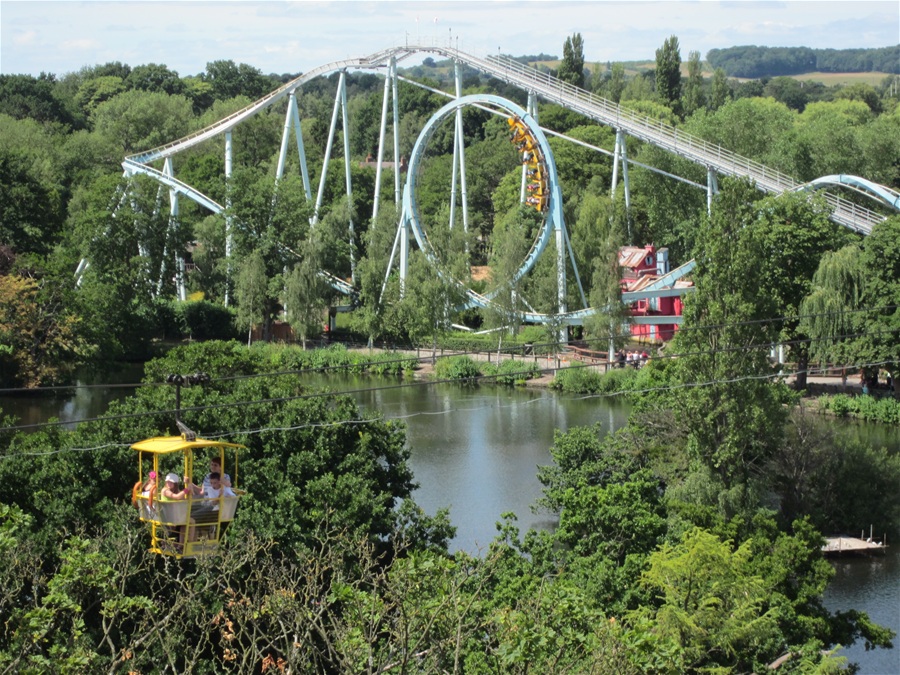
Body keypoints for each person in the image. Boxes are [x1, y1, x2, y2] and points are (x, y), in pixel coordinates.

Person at [159, 473, 196, 547]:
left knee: (184, 524)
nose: (169, 484)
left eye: (171, 482)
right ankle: (190, 543)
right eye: (168, 482)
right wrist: (187, 489)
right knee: (192, 522)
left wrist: (190, 491)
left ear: (175, 484)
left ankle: (181, 545)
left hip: (174, 515)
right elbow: (177, 497)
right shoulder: (165, 490)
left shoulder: (175, 490)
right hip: (169, 517)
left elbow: (182, 498)